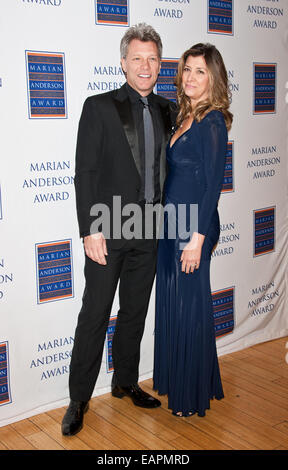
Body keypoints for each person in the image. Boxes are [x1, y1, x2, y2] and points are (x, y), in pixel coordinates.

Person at [61, 23, 177, 436]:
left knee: (135, 312)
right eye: (137, 58)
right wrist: (90, 230)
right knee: (95, 313)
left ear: (160, 65)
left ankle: (125, 381)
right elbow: (86, 172)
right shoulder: (99, 106)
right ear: (123, 63)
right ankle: (78, 399)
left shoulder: (168, 109)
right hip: (107, 230)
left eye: (153, 59)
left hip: (150, 229)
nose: (145, 66)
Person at [153, 43, 233, 417]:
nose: (190, 77)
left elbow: (213, 186)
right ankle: (183, 382)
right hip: (171, 223)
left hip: (193, 227)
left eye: (200, 71)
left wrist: (197, 239)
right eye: (187, 69)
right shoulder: (184, 116)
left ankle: (190, 396)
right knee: (175, 303)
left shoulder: (212, 121)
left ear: (213, 77)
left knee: (188, 307)